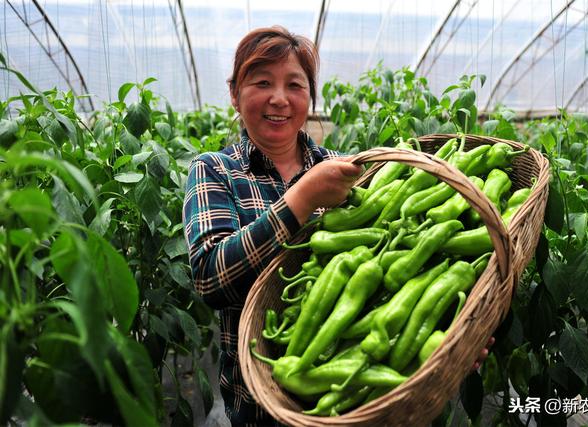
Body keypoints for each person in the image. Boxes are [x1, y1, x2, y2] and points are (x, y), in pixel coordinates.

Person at [182, 25, 491, 426]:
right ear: (235, 95)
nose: (279, 98)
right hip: (260, 407)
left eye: (294, 85)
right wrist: (301, 200)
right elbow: (210, 279)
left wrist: (450, 334)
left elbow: (396, 285)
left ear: (309, 98)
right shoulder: (214, 170)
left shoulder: (344, 167)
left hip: (355, 404)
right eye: (262, 82)